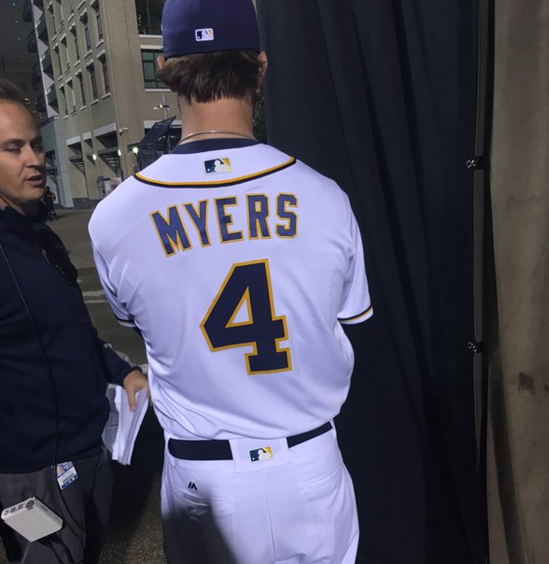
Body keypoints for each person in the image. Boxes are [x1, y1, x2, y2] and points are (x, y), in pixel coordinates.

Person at [89, 1, 373, 562]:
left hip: (204, 480)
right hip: (308, 468)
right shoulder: (325, 197)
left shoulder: (115, 217)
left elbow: (135, 322)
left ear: (167, 65)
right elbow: (348, 320)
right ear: (260, 67)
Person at [0, 79, 149, 564]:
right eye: (13, 148)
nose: (35, 160)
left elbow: (77, 334)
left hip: (92, 451)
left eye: (37, 145)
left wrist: (121, 371)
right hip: (31, 473)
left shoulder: (44, 239)